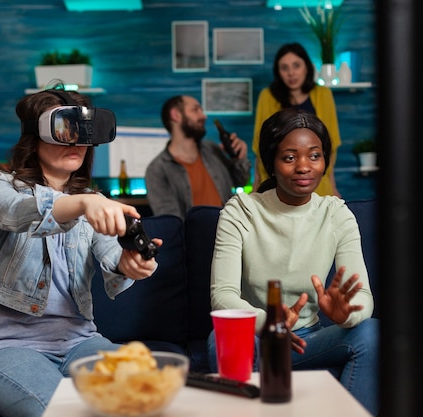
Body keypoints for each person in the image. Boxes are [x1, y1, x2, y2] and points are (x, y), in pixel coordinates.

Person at [0, 88, 162, 417]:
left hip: (80, 342)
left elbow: (110, 253)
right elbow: (17, 213)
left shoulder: (93, 200)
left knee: (154, 398)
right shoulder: (0, 186)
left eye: (82, 133)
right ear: (35, 136)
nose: (74, 142)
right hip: (11, 346)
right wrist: (84, 203)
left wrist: (128, 265)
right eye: (63, 131)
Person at [207, 108, 379, 415]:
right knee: (220, 337)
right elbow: (223, 297)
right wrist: (270, 324)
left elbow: (363, 297)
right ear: (272, 163)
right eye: (289, 157)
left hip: (308, 342)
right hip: (258, 336)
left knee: (371, 332)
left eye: (314, 156)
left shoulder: (336, 214)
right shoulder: (241, 210)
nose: (303, 167)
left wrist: (347, 314)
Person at [252, 42, 342, 197]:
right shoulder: (267, 97)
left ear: (306, 67)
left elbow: (329, 145)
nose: (291, 73)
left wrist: (332, 187)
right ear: (278, 72)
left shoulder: (323, 95)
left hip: (315, 183)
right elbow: (260, 146)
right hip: (275, 185)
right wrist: (255, 187)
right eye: (284, 68)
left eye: (296, 66)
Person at [145, 95, 251, 219]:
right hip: (193, 238)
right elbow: (171, 223)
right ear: (176, 115)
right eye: (196, 110)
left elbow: (241, 181)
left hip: (230, 233)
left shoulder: (212, 149)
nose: (203, 116)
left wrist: (239, 159)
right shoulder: (157, 170)